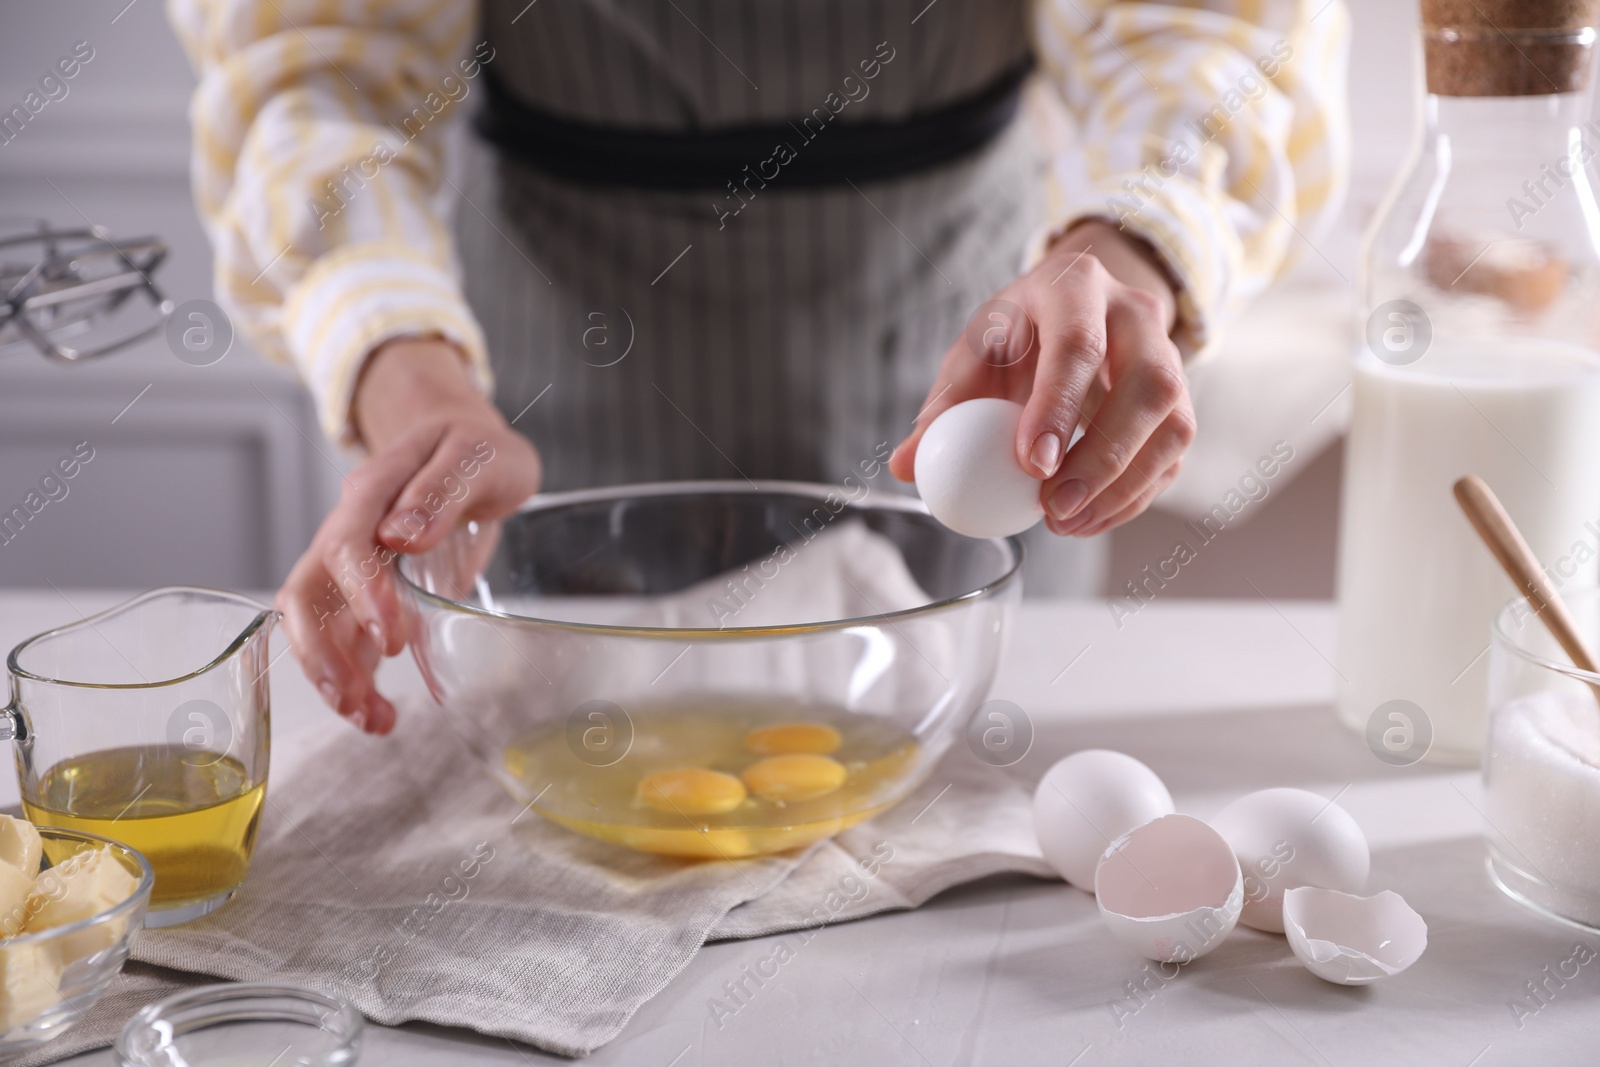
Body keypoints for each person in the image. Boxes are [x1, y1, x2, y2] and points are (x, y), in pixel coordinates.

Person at [170, 0, 1349, 733]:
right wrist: (407, 378)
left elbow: (1214, 33)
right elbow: (317, 74)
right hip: (551, 367)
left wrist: (1131, 248)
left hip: (979, 345)